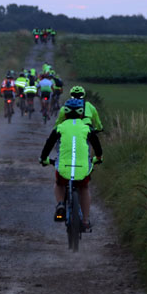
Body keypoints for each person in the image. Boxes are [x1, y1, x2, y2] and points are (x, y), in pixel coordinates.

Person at [39, 98, 103, 229]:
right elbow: (97, 148)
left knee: (59, 184)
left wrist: (44, 159)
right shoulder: (87, 128)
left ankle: (61, 203)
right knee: (84, 188)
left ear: (65, 114)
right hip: (83, 168)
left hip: (64, 167)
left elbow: (48, 145)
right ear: (81, 114)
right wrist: (98, 158)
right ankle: (85, 220)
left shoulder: (59, 128)